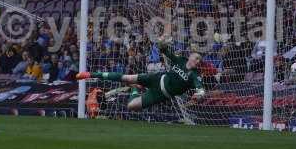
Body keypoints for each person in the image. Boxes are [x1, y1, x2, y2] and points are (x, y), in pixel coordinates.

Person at [76, 38, 206, 111]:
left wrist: (199, 95)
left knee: (131, 106)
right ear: (190, 57)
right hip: (156, 79)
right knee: (126, 77)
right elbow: (163, 50)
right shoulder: (180, 60)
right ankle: (90, 74)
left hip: (161, 95)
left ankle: (134, 88)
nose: (198, 61)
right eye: (197, 58)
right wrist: (162, 43)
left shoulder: (195, 75)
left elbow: (200, 90)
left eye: (200, 60)